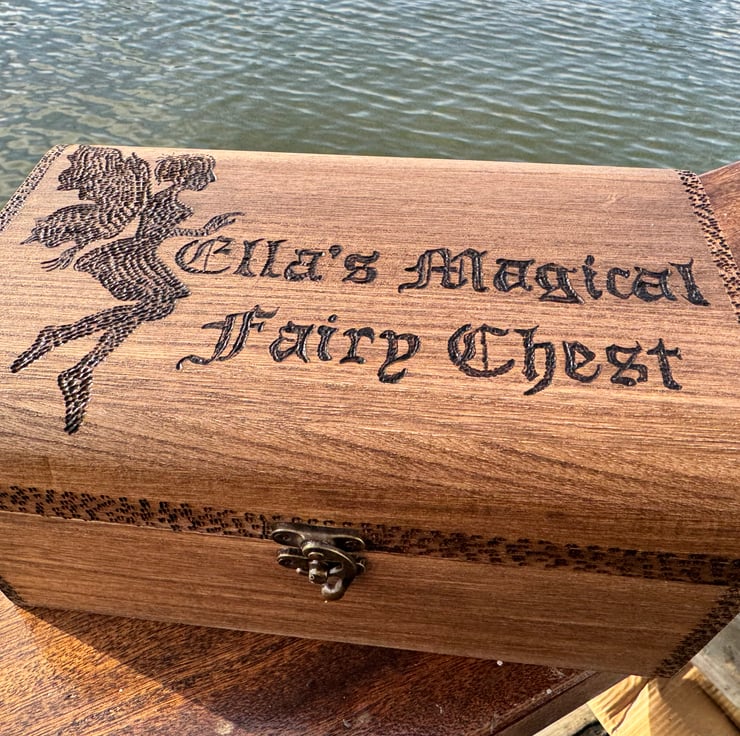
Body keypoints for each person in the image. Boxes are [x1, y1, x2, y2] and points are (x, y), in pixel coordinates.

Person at [12, 150, 241, 434]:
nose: (212, 179)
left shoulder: (168, 199)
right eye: (205, 174)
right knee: (160, 305)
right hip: (131, 256)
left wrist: (204, 231)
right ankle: (64, 343)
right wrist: (203, 231)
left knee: (153, 308)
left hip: (139, 254)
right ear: (186, 176)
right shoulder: (165, 200)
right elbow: (151, 234)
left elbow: (160, 232)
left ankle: (79, 363)